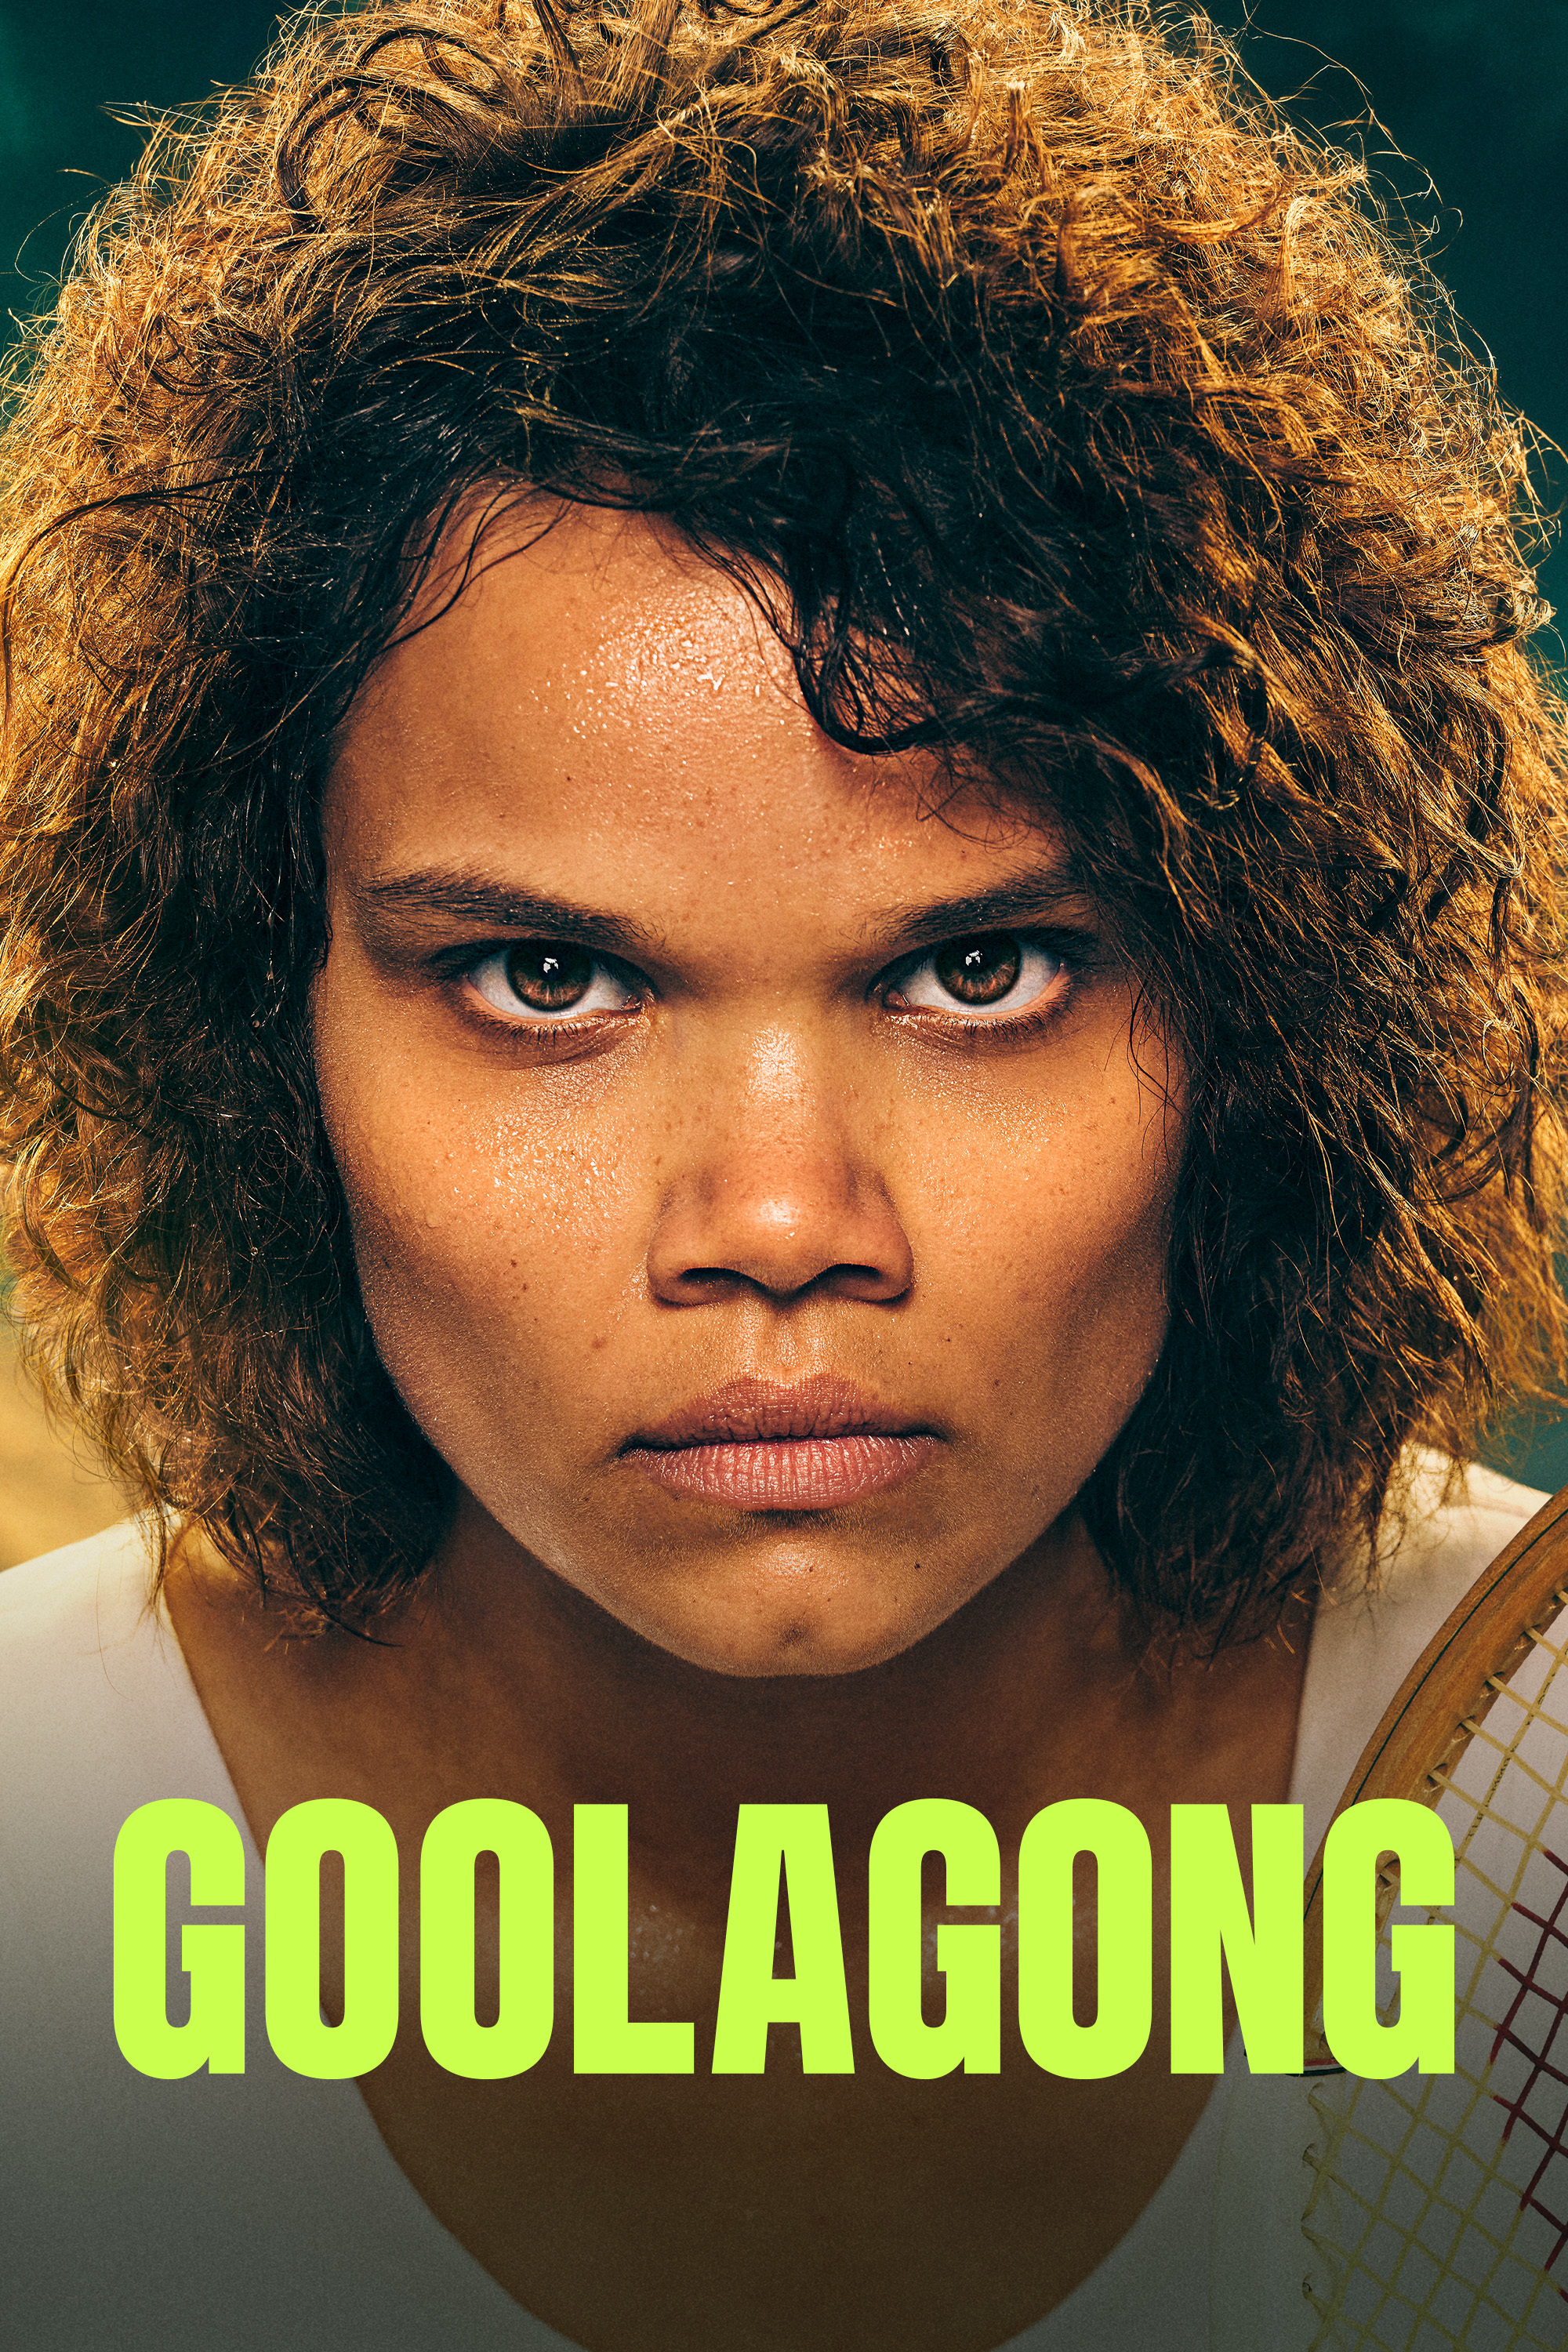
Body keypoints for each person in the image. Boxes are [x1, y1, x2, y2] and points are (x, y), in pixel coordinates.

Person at [0, 2, 1564, 2346]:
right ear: (256, 1018)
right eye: (545, 980)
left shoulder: (1538, 1825)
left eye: (979, 973)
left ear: (1264, 1003)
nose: (778, 1224)